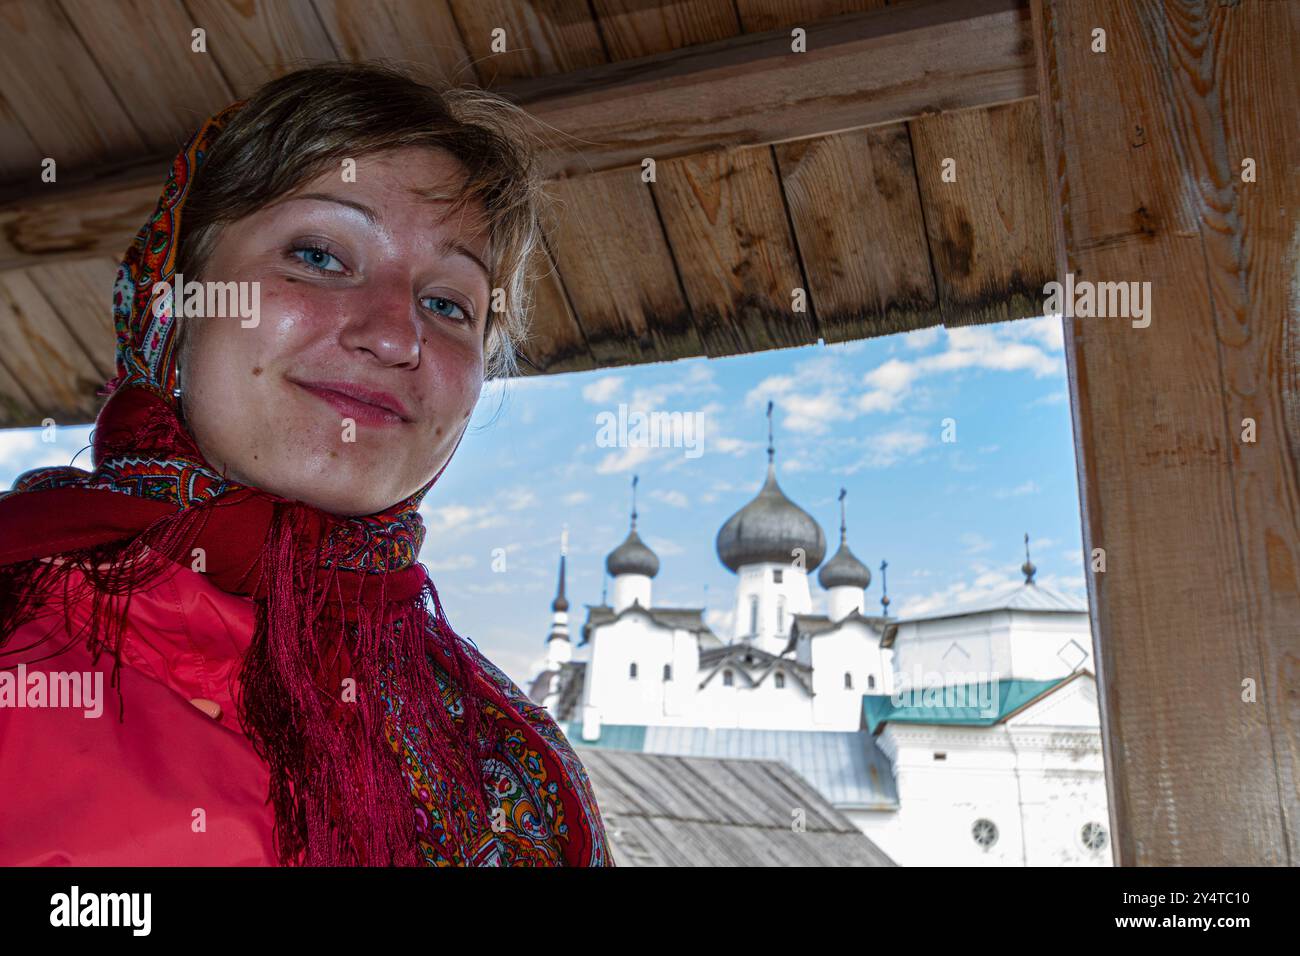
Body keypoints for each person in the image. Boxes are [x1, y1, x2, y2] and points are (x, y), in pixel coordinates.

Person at [0, 63, 612, 867]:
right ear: (174, 302)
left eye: (448, 303)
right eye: (320, 255)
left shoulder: (511, 769)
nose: (396, 335)